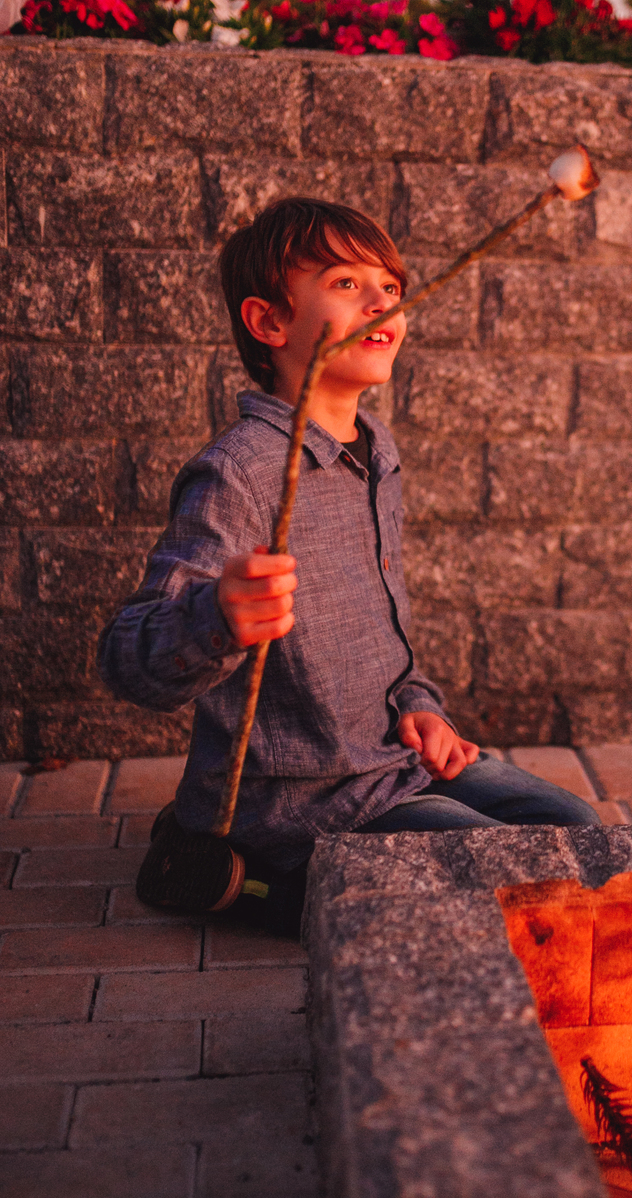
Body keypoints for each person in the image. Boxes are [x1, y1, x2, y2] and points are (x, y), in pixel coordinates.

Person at [98, 197, 600, 934]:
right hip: (302, 802)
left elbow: (380, 636)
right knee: (513, 884)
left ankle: (333, 888)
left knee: (578, 827)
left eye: (390, 287)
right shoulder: (241, 473)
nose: (381, 300)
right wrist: (216, 619)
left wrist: (419, 705)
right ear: (270, 323)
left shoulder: (376, 450)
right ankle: (244, 873)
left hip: (391, 765)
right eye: (344, 284)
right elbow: (125, 658)